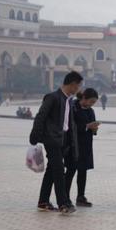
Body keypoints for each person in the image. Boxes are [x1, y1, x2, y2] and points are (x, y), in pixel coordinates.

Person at [29, 71, 82, 215]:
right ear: (72, 84)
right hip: (51, 139)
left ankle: (43, 201)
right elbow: (41, 116)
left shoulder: (68, 100)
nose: (78, 89)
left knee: (52, 170)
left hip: (62, 139)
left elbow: (68, 123)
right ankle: (63, 204)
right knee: (59, 170)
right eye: (78, 86)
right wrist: (34, 136)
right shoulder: (53, 97)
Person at [65, 88, 100, 207]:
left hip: (86, 145)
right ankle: (65, 197)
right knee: (70, 171)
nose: (91, 104)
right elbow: (70, 126)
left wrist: (94, 128)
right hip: (73, 145)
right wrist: (86, 126)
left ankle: (81, 196)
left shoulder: (90, 111)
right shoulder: (73, 107)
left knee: (83, 171)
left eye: (93, 103)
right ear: (84, 98)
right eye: (91, 101)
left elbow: (92, 128)